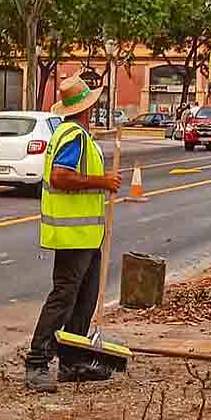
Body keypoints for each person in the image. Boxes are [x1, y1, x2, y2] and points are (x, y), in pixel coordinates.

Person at [25, 74, 123, 393]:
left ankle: (73, 360)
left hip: (87, 235)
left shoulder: (73, 133)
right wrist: (102, 182)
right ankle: (38, 361)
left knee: (85, 297)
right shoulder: (74, 137)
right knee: (64, 298)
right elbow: (60, 177)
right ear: (87, 109)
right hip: (73, 235)